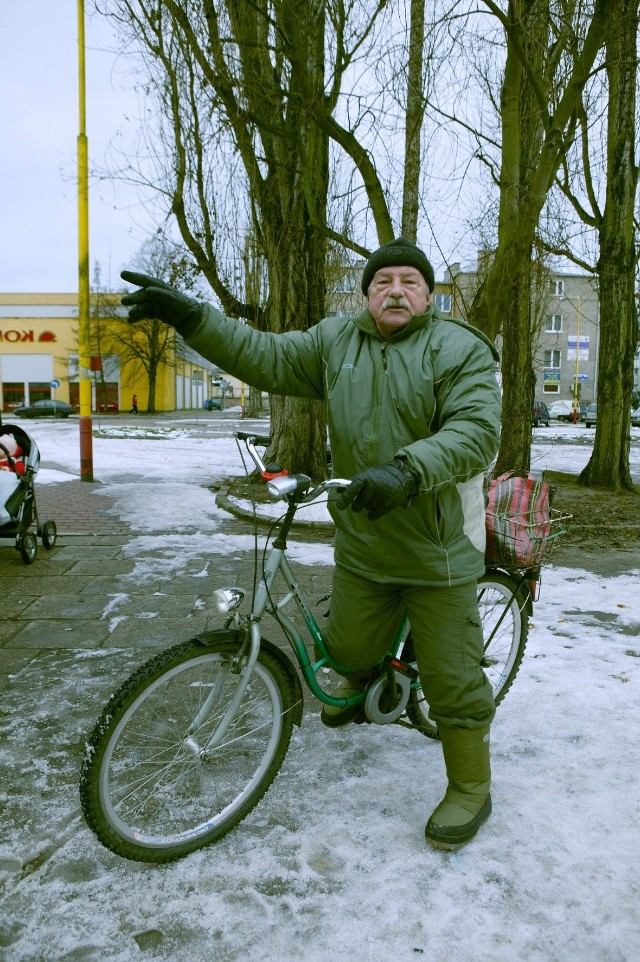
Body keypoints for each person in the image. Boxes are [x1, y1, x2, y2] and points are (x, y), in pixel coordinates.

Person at [120, 236, 502, 850]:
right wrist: (191, 316)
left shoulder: (458, 348)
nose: (396, 290)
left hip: (439, 554)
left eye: (410, 281)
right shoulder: (335, 342)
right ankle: (374, 679)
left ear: (430, 296)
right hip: (365, 546)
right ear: (367, 294)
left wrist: (408, 469)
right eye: (383, 282)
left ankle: (470, 789)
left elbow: (477, 431)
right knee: (347, 652)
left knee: (454, 683)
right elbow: (261, 353)